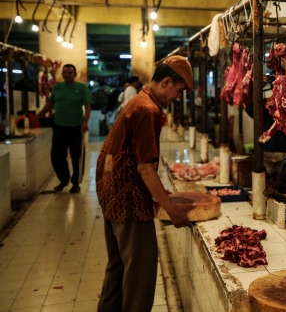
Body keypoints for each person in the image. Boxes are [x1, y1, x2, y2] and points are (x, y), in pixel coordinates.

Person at [96, 56, 194, 312]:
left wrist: (158, 195)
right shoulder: (148, 110)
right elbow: (145, 168)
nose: (177, 97)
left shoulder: (137, 101)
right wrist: (171, 210)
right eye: (178, 91)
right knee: (141, 273)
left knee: (117, 268)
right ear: (166, 82)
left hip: (112, 195)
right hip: (128, 202)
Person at [35, 64, 91, 193]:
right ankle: (64, 179)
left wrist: (85, 122)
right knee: (56, 155)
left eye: (70, 72)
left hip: (76, 127)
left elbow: (88, 106)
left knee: (76, 156)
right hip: (59, 126)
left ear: (75, 74)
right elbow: (50, 103)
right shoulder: (57, 87)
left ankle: (76, 183)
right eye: (65, 72)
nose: (67, 74)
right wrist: (40, 114)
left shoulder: (81, 88)